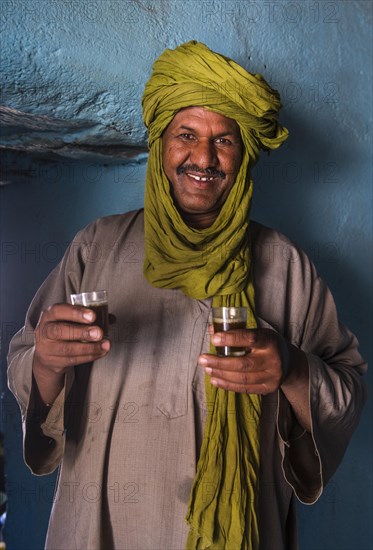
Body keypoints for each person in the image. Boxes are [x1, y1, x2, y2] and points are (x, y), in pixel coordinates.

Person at [7, 41, 367, 550]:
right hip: (102, 529)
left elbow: (347, 391)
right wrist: (47, 362)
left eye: (224, 141)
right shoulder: (96, 246)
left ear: (243, 157)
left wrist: (290, 367)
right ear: (160, 144)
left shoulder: (286, 265)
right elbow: (27, 359)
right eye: (187, 135)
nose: (203, 158)